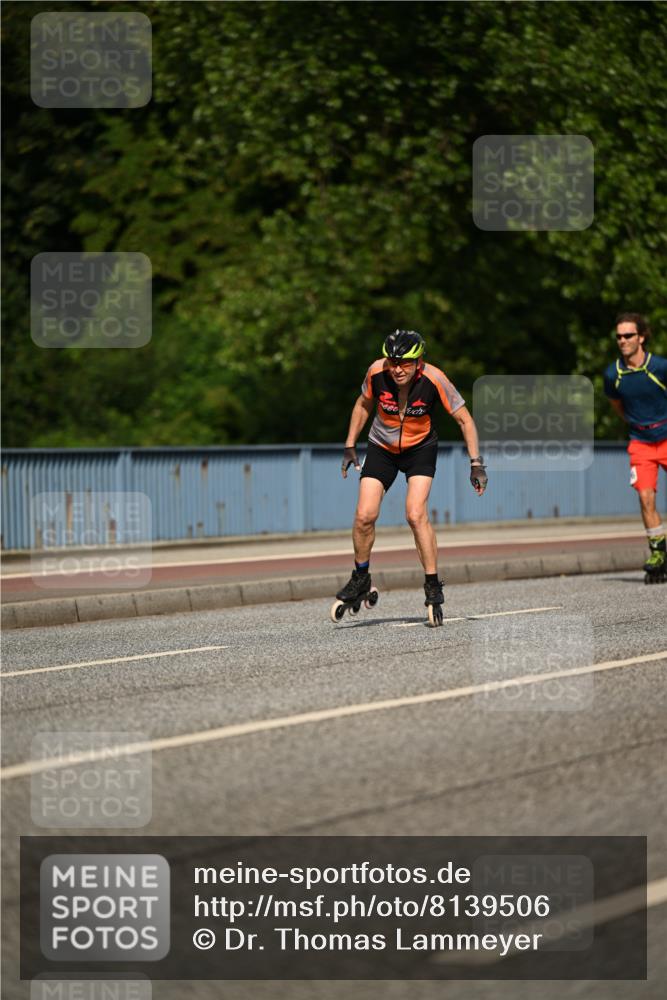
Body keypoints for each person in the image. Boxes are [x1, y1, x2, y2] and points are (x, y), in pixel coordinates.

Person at [337, 329, 487, 624]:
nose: (397, 369)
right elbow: (363, 404)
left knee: (415, 514)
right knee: (364, 515)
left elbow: (464, 419)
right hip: (382, 446)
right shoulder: (376, 373)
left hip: (420, 448)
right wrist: (350, 444)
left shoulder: (435, 379)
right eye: (392, 362)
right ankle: (361, 577)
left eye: (405, 363)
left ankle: (433, 587)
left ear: (419, 362)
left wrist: (476, 463)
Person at [603, 312, 667, 583]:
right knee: (645, 498)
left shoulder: (661, 367)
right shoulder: (613, 374)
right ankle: (659, 553)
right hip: (640, 442)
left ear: (641, 337)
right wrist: (639, 425)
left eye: (628, 335)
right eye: (619, 336)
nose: (622, 340)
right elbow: (619, 407)